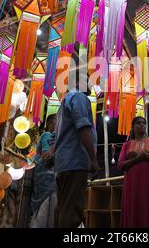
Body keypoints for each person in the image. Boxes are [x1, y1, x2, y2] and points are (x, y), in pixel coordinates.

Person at [53, 64, 99, 228]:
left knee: (64, 208)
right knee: (73, 212)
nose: (91, 83)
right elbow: (83, 128)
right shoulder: (79, 98)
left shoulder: (65, 100)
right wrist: (93, 160)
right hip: (75, 161)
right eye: (87, 79)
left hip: (64, 164)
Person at [118, 116, 149, 228]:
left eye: (144, 123)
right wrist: (137, 159)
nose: (142, 125)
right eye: (138, 123)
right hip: (133, 183)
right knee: (135, 206)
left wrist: (147, 157)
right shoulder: (126, 145)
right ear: (132, 127)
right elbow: (121, 164)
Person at [29, 114, 57, 228]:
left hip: (47, 179)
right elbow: (47, 156)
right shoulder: (47, 135)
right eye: (57, 121)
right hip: (46, 180)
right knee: (45, 212)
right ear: (50, 123)